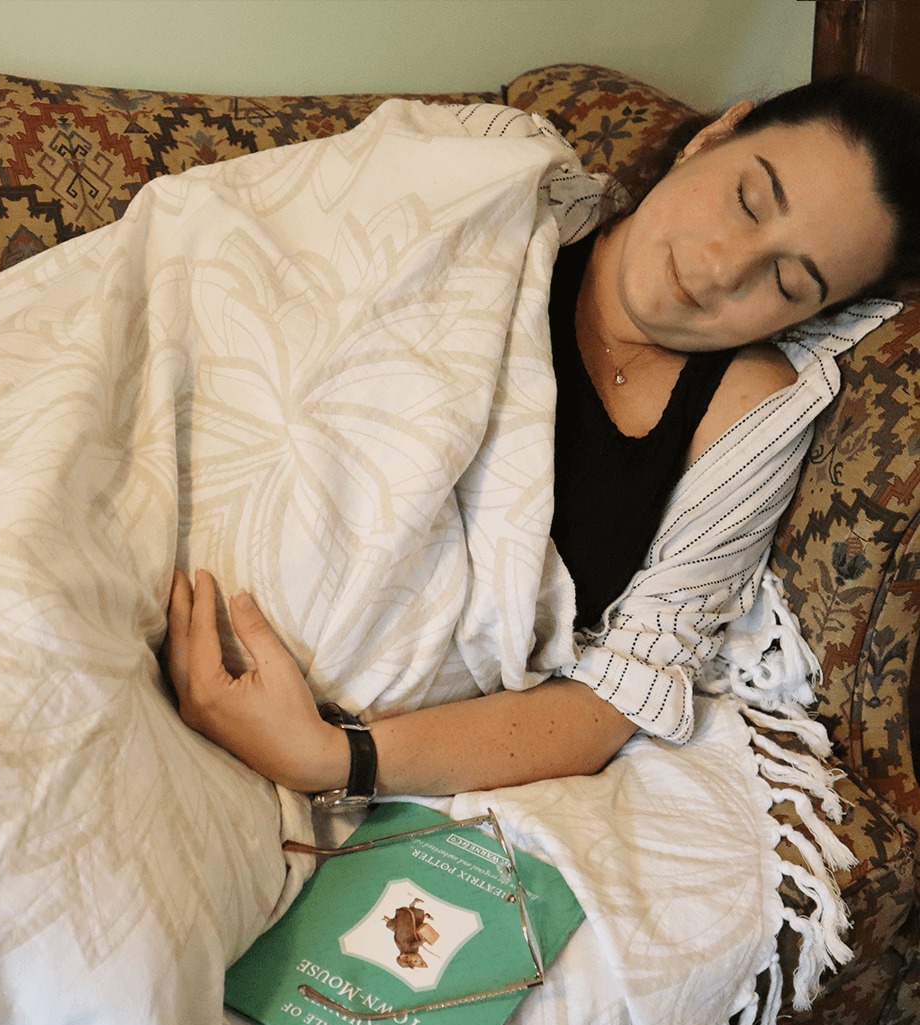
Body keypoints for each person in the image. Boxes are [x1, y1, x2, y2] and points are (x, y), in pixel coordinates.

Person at [162, 74, 916, 801]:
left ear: (808, 318)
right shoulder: (500, 183)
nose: (723, 268)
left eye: (788, 283)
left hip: (319, 741)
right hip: (159, 575)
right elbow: (229, 264)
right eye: (747, 201)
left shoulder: (747, 412)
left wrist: (330, 757)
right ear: (712, 138)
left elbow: (620, 692)